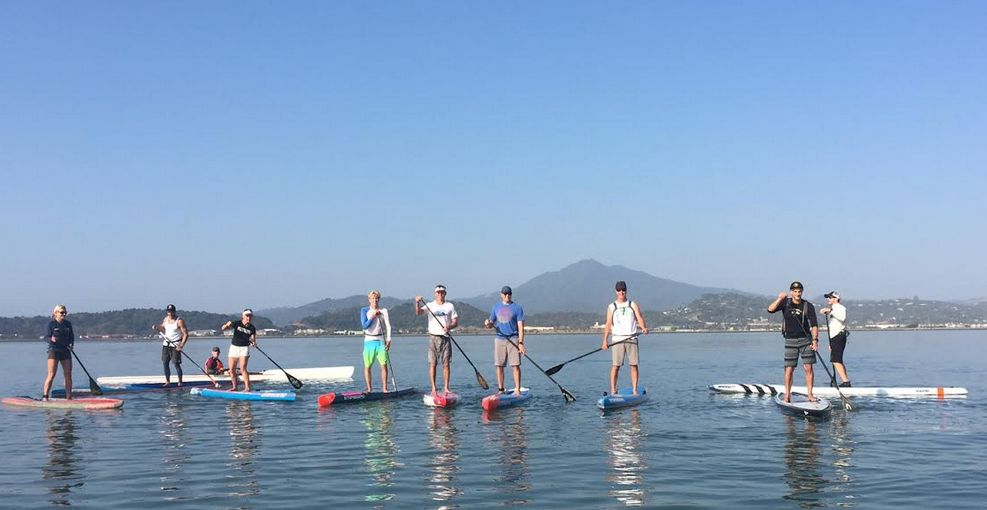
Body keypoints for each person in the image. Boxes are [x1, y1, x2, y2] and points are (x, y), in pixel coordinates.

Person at [767, 281, 820, 403]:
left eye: (799, 291)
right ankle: (787, 395)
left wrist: (815, 340)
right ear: (791, 292)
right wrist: (779, 298)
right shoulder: (785, 303)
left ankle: (810, 395)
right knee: (789, 369)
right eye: (795, 291)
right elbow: (770, 310)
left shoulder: (808, 306)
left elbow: (815, 325)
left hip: (806, 340)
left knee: (808, 368)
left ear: (802, 292)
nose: (797, 293)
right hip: (790, 340)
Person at [601, 281, 648, 396]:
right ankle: (613, 390)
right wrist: (604, 341)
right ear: (615, 291)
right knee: (616, 366)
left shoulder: (632, 305)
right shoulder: (612, 307)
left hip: (631, 339)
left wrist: (643, 327)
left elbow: (639, 318)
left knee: (633, 365)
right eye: (619, 290)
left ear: (626, 290)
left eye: (623, 290)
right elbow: (608, 324)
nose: (621, 292)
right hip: (617, 340)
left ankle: (635, 390)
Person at [415, 284, 458, 396]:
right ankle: (433, 388)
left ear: (445, 294)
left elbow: (455, 321)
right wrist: (417, 302)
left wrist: (449, 326)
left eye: (442, 292)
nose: (440, 294)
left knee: (446, 364)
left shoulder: (450, 306)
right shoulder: (430, 305)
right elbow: (418, 313)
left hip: (445, 338)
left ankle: (446, 388)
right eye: (438, 292)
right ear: (435, 294)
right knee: (433, 363)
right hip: (433, 337)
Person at [484, 286, 526, 395]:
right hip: (500, 339)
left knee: (515, 365)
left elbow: (521, 327)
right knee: (499, 365)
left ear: (511, 295)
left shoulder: (517, 308)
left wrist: (521, 343)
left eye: (509, 294)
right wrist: (488, 323)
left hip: (513, 338)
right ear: (501, 294)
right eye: (505, 294)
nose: (507, 296)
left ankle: (517, 389)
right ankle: (501, 390)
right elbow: (490, 324)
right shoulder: (496, 307)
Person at [360, 290, 392, 393]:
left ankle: (385, 388)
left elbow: (388, 326)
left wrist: (389, 339)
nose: (375, 300)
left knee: (383, 364)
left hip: (380, 340)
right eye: (373, 299)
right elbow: (365, 326)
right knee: (367, 366)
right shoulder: (364, 310)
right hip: (369, 340)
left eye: (377, 298)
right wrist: (373, 316)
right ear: (369, 300)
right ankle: (369, 389)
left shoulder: (384, 311)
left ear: (379, 299)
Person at [151, 304, 189, 387]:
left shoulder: (179, 321)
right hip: (166, 344)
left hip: (176, 345)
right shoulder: (166, 319)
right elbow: (163, 327)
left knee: (176, 363)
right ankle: (168, 381)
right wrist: (157, 327)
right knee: (165, 362)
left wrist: (181, 345)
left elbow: (185, 334)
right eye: (169, 311)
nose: (170, 313)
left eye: (172, 311)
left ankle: (180, 382)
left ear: (174, 311)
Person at [42, 305, 74, 400]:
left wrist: (71, 345)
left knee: (68, 373)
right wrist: (51, 339)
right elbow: (46, 337)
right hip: (54, 351)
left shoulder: (68, 324)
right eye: (61, 312)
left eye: (65, 312)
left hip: (65, 351)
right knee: (51, 374)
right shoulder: (51, 324)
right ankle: (45, 396)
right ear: (56, 313)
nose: (64, 314)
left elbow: (71, 337)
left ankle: (69, 397)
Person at [221, 309, 257, 392]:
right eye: (247, 316)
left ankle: (247, 388)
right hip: (234, 347)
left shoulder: (252, 328)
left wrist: (254, 343)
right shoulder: (237, 323)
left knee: (243, 368)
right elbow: (223, 328)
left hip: (244, 348)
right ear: (243, 316)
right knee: (232, 369)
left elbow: (253, 340)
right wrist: (227, 325)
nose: (249, 317)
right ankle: (234, 387)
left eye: (250, 316)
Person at [820, 291, 851, 387]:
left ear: (836, 299)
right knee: (838, 360)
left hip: (839, 336)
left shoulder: (840, 308)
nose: (828, 299)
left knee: (835, 360)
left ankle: (845, 382)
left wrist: (830, 311)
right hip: (835, 337)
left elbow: (843, 318)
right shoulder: (833, 309)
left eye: (830, 297)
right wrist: (830, 342)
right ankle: (845, 381)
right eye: (828, 297)